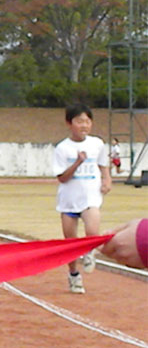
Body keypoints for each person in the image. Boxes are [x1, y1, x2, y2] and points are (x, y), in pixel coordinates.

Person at [53, 102, 111, 294]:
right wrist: (78, 162)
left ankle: (89, 253)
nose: (84, 125)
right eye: (79, 121)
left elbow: (103, 164)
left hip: (90, 197)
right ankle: (74, 276)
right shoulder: (62, 148)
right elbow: (62, 177)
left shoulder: (97, 144)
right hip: (68, 200)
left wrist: (107, 180)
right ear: (69, 123)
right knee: (70, 244)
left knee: (93, 230)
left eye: (87, 121)